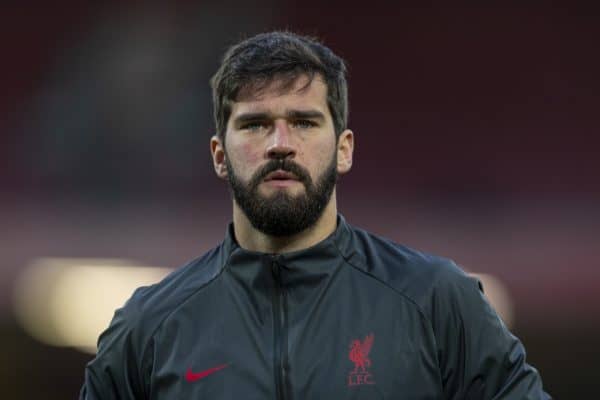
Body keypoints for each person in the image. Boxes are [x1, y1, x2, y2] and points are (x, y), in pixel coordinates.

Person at [80, 31, 551, 399]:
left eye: (304, 122)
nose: (280, 143)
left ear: (343, 149)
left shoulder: (435, 302)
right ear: (219, 154)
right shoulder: (148, 328)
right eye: (255, 124)